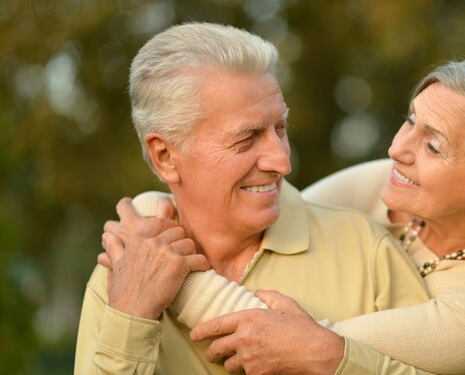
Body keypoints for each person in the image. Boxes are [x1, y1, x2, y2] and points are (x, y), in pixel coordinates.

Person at [119, 59, 465, 375]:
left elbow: (293, 343)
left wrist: (151, 249)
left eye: (432, 145)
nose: (395, 149)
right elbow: (272, 213)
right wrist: (152, 206)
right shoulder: (396, 183)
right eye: (410, 121)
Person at [73, 22, 432, 375]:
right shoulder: (119, 276)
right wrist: (131, 317)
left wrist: (334, 360)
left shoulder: (363, 250)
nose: (282, 162)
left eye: (281, 128)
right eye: (246, 139)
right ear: (165, 156)